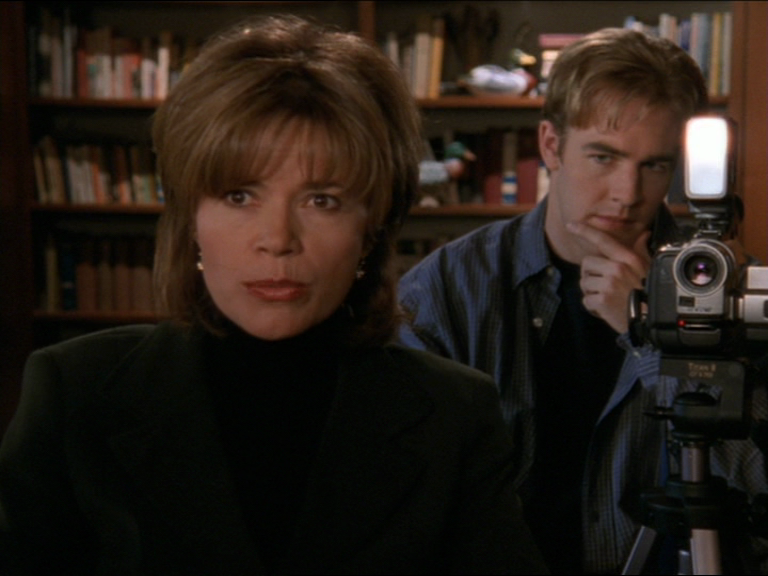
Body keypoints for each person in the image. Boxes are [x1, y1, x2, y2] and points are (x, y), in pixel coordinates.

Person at [0, 15, 548, 576]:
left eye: (322, 200)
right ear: (191, 219)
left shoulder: (455, 415)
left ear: (372, 229)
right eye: (239, 196)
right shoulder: (74, 393)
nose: (278, 239)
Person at [398, 27, 768, 574]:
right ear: (551, 145)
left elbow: (757, 483)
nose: (627, 194)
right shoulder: (448, 287)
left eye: (654, 165)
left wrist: (649, 335)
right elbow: (407, 501)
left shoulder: (728, 290)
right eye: (603, 157)